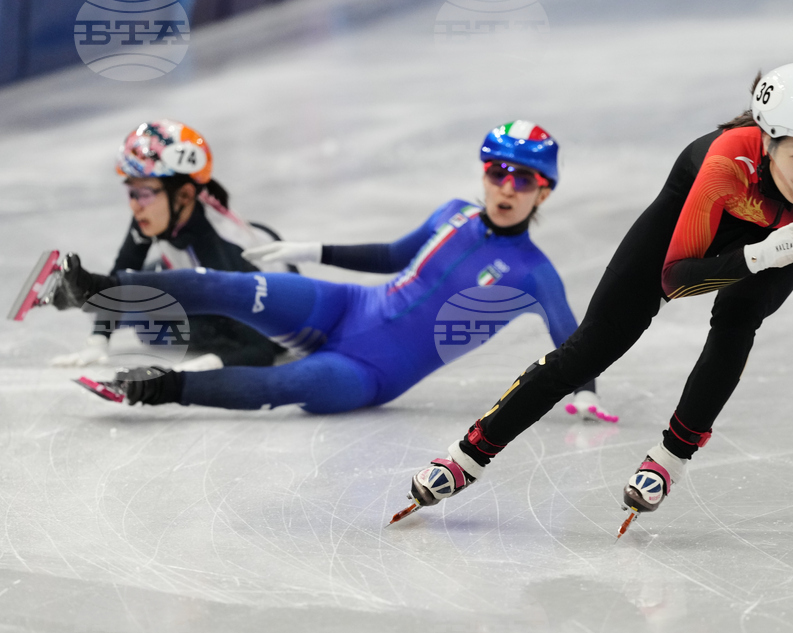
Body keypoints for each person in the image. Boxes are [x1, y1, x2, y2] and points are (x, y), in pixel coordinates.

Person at [396, 63, 793, 526]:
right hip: (688, 237)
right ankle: (467, 457)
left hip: (779, 241)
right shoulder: (725, 163)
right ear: (768, 142)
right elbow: (676, 281)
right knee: (590, 349)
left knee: (737, 323)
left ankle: (669, 461)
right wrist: (757, 256)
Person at [49, 121, 616, 419]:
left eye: (523, 180)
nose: (506, 187)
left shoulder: (534, 273)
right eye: (497, 172)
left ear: (545, 192)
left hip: (371, 372)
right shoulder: (454, 214)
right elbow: (395, 257)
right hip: (349, 306)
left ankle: (158, 391)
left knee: (283, 383)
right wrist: (312, 247)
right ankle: (99, 292)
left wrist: (584, 392)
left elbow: (575, 342)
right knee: (232, 288)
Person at [49, 120, 289, 371]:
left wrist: (186, 372)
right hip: (206, 278)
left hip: (268, 315)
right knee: (138, 293)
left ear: (184, 195)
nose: (135, 205)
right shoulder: (161, 210)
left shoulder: (221, 252)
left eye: (144, 193)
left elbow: (261, 349)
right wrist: (98, 341)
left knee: (151, 323)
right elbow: (121, 276)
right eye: (131, 192)